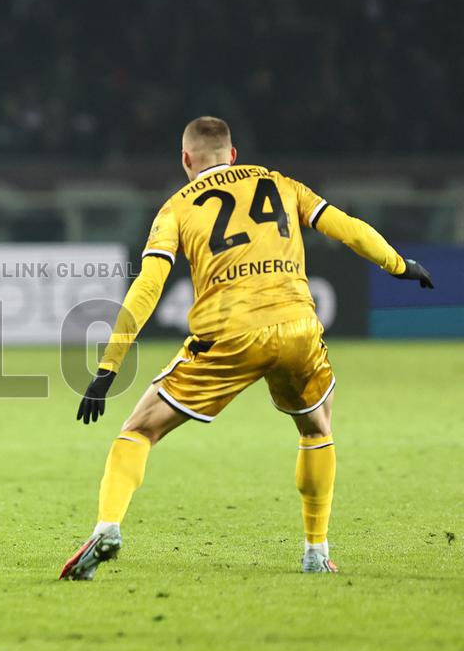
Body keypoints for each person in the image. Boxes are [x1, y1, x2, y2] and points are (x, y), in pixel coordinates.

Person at [60, 116, 434, 580]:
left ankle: (108, 526)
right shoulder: (282, 185)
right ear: (233, 155)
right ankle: (316, 553)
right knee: (317, 428)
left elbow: (146, 288)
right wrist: (400, 265)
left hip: (228, 332)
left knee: (138, 430)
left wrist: (108, 368)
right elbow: (348, 228)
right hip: (297, 324)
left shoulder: (175, 208)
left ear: (186, 160)